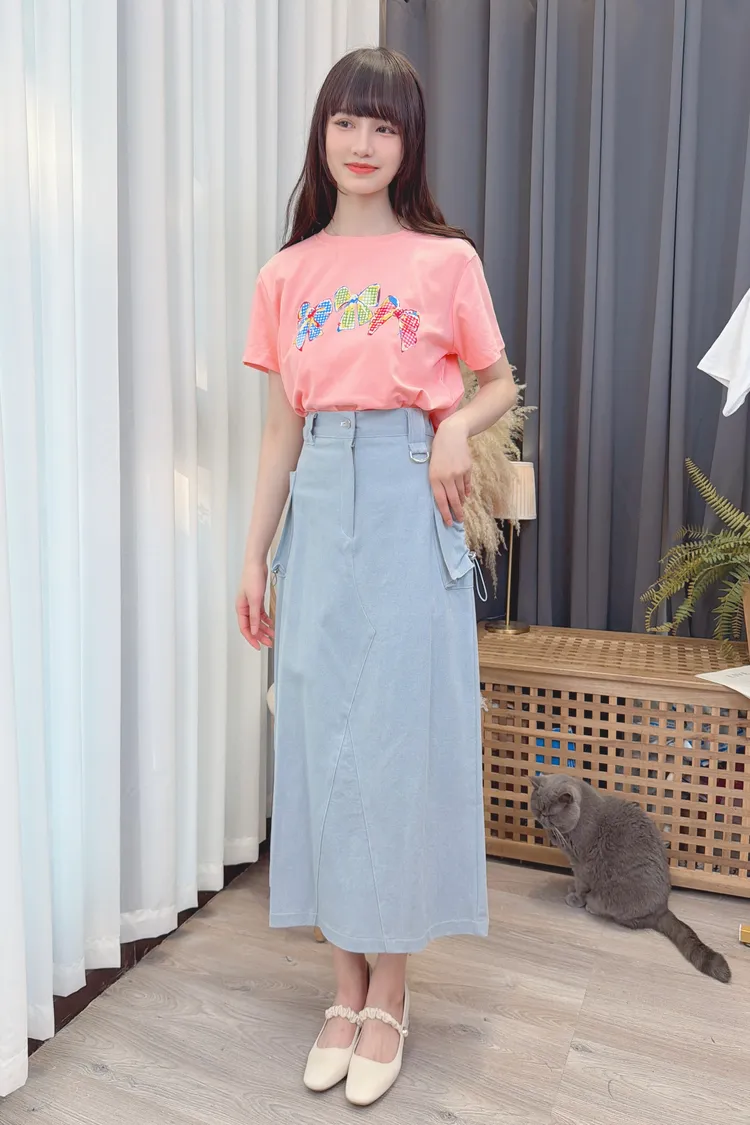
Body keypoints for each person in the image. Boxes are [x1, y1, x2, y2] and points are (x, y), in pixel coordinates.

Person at [236, 47, 516, 1106]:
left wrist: (451, 428)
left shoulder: (445, 260)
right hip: (319, 506)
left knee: (398, 744)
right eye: (347, 122)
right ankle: (342, 984)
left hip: (409, 499)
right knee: (325, 743)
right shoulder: (286, 274)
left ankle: (390, 990)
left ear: (409, 144)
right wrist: (252, 554)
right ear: (323, 133)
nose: (362, 143)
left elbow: (497, 382)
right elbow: (280, 432)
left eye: (384, 126)